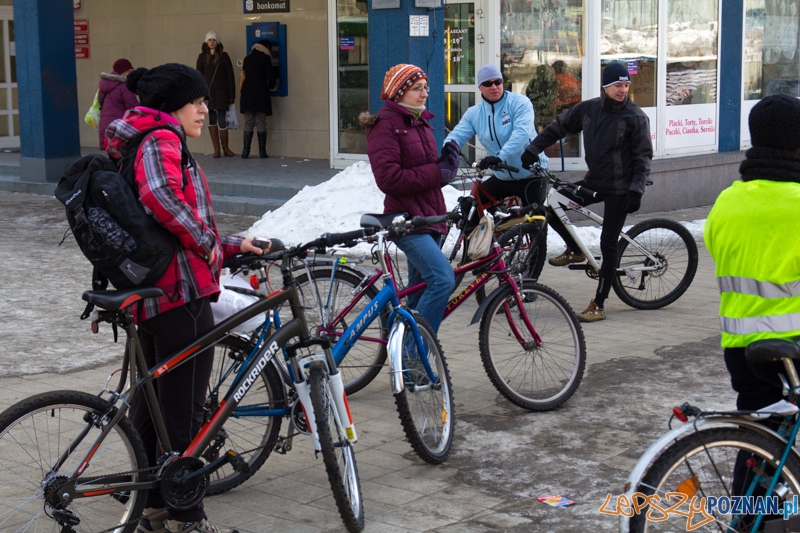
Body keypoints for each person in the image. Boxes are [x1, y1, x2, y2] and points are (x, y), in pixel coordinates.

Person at [106, 63, 267, 533]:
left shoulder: (143, 137)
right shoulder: (161, 137)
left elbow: (162, 224)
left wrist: (231, 245)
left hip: (161, 291)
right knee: (183, 418)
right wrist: (210, 242)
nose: (205, 108)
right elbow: (160, 197)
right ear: (173, 104)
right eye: (196, 101)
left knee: (156, 408)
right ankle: (187, 518)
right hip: (178, 294)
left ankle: (153, 504)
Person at [521, 61, 653, 323]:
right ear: (605, 86)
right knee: (553, 208)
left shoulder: (635, 117)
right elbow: (558, 127)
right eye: (617, 85)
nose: (623, 90)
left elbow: (643, 157)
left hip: (621, 188)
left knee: (608, 242)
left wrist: (636, 190)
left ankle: (599, 304)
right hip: (595, 181)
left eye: (626, 85)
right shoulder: (589, 109)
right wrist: (533, 149)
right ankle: (575, 248)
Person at [705, 93, 800, 416]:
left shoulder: (726, 201)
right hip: (793, 341)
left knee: (758, 436)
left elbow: (719, 252)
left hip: (740, 344)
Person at [358, 63, 457, 335]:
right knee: (442, 280)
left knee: (418, 295)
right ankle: (413, 355)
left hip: (429, 218)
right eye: (417, 88)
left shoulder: (420, 120)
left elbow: (425, 173)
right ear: (399, 92)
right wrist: (438, 171)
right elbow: (390, 179)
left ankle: (407, 367)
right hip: (407, 220)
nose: (425, 94)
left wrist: (446, 167)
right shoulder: (385, 124)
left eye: (426, 87)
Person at [444, 64, 549, 210]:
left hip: (531, 174)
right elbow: (458, 134)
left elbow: (522, 133)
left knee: (535, 222)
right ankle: (494, 231)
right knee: (470, 207)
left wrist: (500, 156)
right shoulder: (474, 113)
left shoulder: (519, 102)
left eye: (497, 82)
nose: (494, 87)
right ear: (480, 87)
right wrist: (448, 149)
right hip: (503, 177)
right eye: (487, 83)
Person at [196, 31, 236, 158]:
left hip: (223, 92)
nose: (212, 42)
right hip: (208, 93)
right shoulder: (202, 57)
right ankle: (217, 149)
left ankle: (226, 148)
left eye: (214, 40)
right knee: (212, 119)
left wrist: (231, 95)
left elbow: (230, 76)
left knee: (222, 120)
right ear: (206, 42)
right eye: (209, 40)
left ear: (217, 42)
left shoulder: (224, 56)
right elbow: (198, 76)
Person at [239, 39, 276, 159]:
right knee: (261, 122)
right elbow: (271, 77)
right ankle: (262, 152)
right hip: (261, 93)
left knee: (248, 122)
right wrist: (272, 86)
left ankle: (245, 152)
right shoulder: (265, 58)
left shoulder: (247, 59)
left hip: (247, 94)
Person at [97, 58, 138, 150]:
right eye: (130, 71)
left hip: (106, 125)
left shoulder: (104, 84)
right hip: (120, 126)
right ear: (125, 71)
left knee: (111, 154)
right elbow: (132, 106)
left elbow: (100, 101)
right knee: (121, 156)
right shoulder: (124, 85)